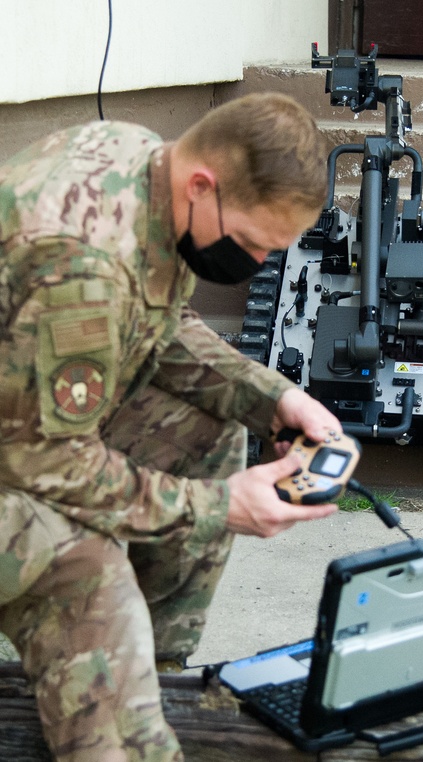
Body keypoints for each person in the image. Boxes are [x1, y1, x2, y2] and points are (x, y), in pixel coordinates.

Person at [0, 93, 347, 760]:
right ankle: (121, 727)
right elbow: (44, 463)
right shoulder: (81, 262)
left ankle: (151, 671)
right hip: (26, 450)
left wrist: (270, 398)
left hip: (26, 418)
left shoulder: (143, 162)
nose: (252, 262)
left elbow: (160, 329)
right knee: (83, 568)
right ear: (201, 185)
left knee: (209, 430)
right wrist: (217, 506)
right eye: (248, 242)